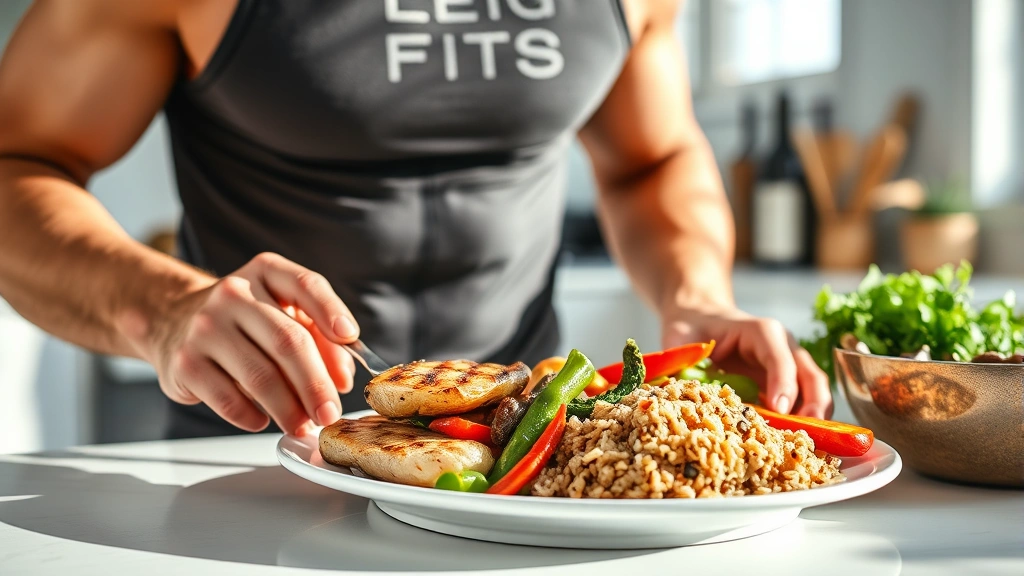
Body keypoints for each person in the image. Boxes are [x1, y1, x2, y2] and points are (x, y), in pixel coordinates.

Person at [0, 0, 830, 440]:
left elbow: (653, 160)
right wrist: (166, 311)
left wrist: (695, 299)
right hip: (260, 455)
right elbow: (16, 164)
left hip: (531, 461)